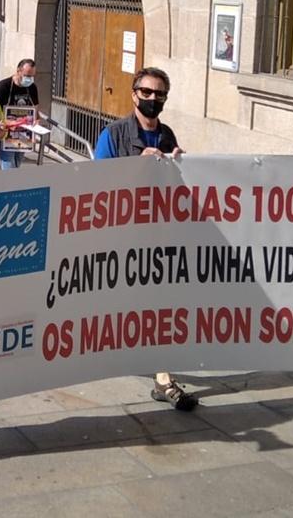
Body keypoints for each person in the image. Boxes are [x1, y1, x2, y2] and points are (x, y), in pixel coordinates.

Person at [92, 66, 196, 410]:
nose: (153, 99)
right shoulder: (114, 134)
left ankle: (163, 376)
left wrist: (181, 167)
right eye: (147, 93)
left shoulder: (167, 135)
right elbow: (96, 187)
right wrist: (136, 165)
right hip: (122, 237)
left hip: (159, 236)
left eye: (159, 94)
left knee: (160, 305)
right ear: (134, 94)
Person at [0, 59, 40, 169]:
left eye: (32, 76)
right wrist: (8, 123)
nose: (30, 79)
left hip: (23, 136)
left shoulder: (32, 87)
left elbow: (35, 110)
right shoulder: (2, 87)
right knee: (9, 167)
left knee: (17, 165)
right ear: (18, 71)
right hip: (5, 135)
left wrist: (36, 123)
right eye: (27, 75)